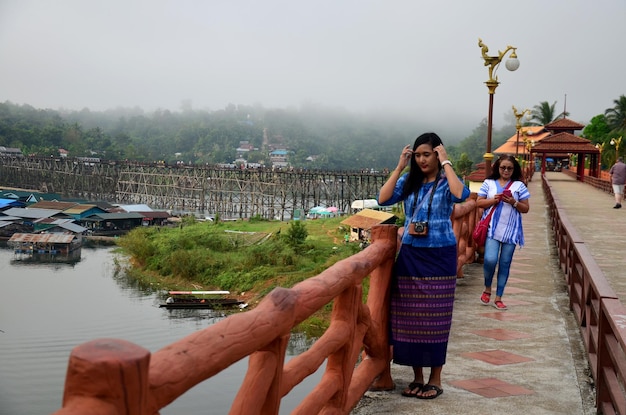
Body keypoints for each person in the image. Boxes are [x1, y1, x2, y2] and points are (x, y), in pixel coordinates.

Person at [377, 132, 470, 399]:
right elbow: (383, 199)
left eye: (426, 154)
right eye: (417, 155)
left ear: (437, 154)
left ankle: (435, 378)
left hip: (440, 256)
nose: (422, 160)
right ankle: (417, 377)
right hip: (411, 256)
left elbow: (461, 195)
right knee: (411, 318)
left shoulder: (444, 181)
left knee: (436, 318)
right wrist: (398, 168)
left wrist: (447, 162)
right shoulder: (409, 181)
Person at [477, 155, 530, 310]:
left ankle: (499, 297)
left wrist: (513, 202)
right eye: (503, 167)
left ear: (514, 170)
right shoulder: (489, 183)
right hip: (492, 229)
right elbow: (478, 202)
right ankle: (487, 287)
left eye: (509, 168)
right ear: (497, 168)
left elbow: (526, 208)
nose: (506, 170)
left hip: (511, 231)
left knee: (505, 263)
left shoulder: (519, 186)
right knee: (490, 259)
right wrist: (493, 200)